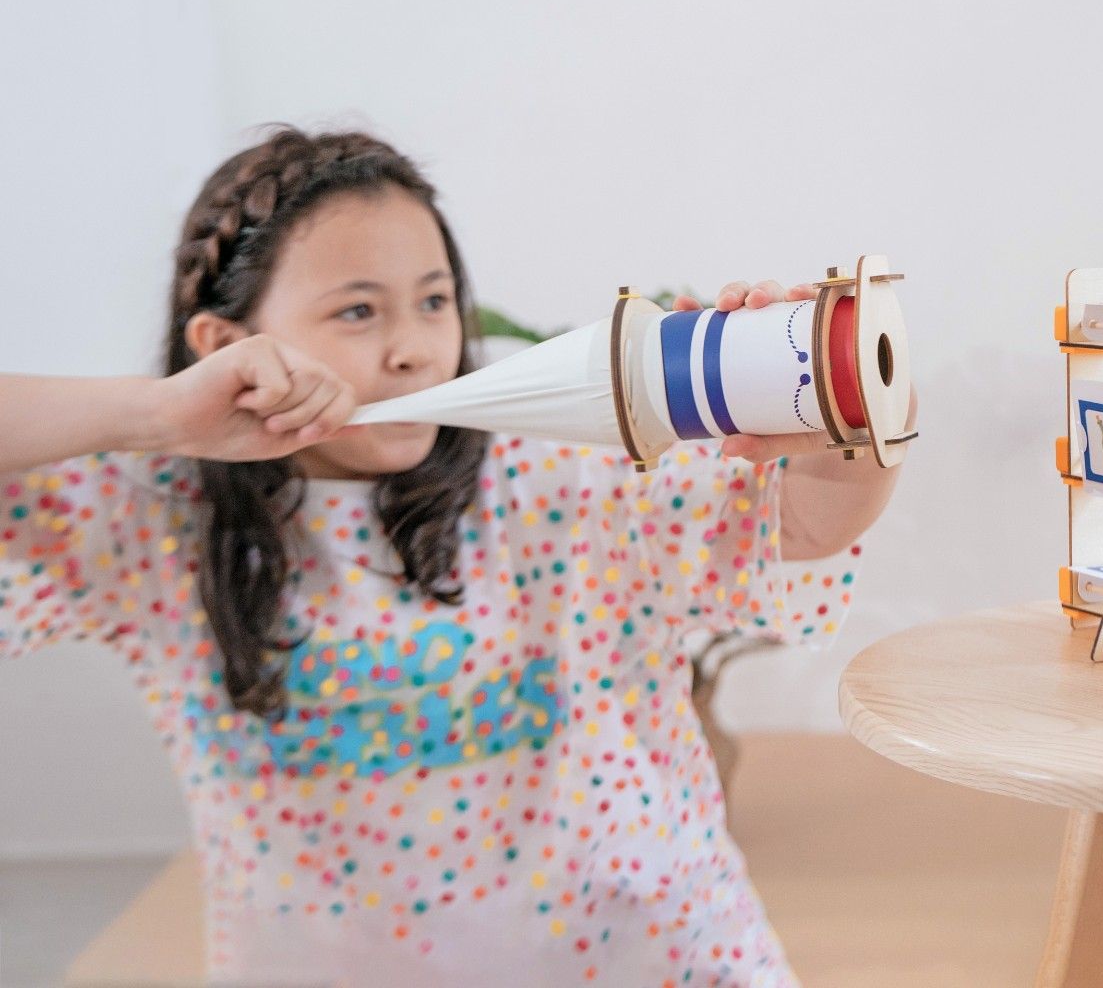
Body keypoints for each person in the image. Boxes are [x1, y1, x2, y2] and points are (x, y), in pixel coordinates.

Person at [0, 126, 907, 986]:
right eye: (357, 310)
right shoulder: (152, 523)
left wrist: (831, 426)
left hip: (651, 959)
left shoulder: (560, 479)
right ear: (224, 345)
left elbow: (806, 524)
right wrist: (157, 417)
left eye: (434, 301)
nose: (414, 351)